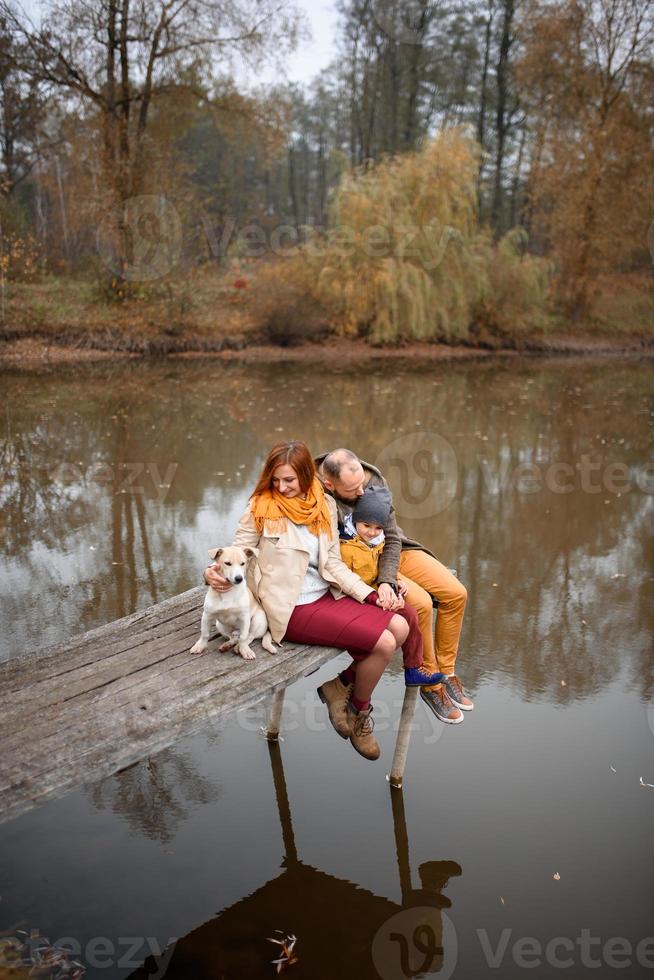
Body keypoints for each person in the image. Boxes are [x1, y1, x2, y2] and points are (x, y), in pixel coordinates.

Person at [204, 441, 409, 761]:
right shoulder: (259, 507)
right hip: (290, 607)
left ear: (304, 475)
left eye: (289, 480)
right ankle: (359, 712)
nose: (281, 487)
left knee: (400, 626)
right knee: (383, 643)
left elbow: (333, 563)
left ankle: (338, 689)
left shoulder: (322, 506)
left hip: (326, 594)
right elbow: (234, 553)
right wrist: (212, 574)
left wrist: (370, 594)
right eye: (275, 480)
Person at [315, 448, 473, 725]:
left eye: (363, 483)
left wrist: (388, 578)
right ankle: (430, 684)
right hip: (359, 564)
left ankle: (446, 673)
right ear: (331, 485)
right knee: (421, 604)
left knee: (456, 593)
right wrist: (382, 581)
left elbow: (391, 537)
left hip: (392, 552)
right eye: (354, 489)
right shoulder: (317, 496)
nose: (363, 492)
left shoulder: (372, 478)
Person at [337, 484, 444, 688]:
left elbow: (379, 565)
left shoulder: (378, 540)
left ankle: (413, 669)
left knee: (411, 615)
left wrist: (394, 581)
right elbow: (345, 579)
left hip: (376, 592)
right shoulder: (345, 544)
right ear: (356, 519)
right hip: (354, 597)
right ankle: (348, 678)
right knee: (386, 630)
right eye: (366, 525)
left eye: (378, 528)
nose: (371, 532)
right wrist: (376, 598)